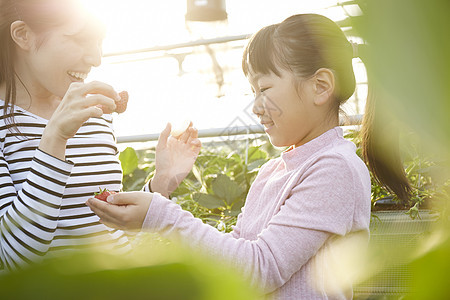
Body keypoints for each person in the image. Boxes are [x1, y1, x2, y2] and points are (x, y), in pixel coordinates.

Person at [87, 14, 411, 299]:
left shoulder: (335, 168)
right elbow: (233, 262)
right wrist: (163, 186)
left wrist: (163, 216)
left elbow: (260, 269)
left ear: (321, 86)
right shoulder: (274, 170)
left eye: (265, 89)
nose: (255, 106)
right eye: (252, 92)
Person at [0, 0, 201, 271]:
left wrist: (160, 184)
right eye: (79, 39)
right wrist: (54, 139)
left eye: (99, 42)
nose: (96, 58)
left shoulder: (93, 114)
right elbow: (13, 259)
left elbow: (110, 228)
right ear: (22, 34)